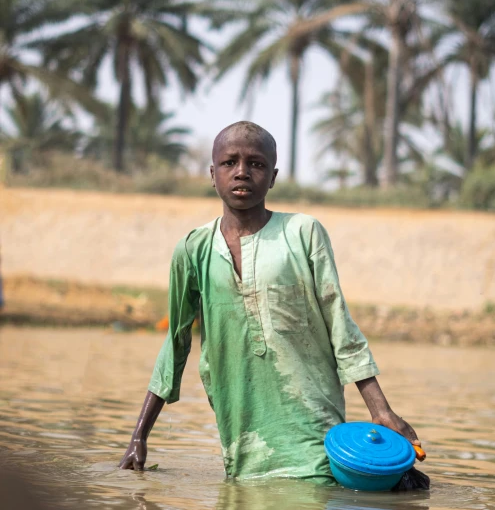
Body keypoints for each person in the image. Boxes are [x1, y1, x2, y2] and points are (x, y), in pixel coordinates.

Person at [120, 121, 421, 481]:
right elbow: (175, 344)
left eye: (256, 164)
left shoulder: (303, 233)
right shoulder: (193, 249)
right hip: (244, 441)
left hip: (314, 431)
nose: (242, 172)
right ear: (212, 174)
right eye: (230, 163)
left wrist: (381, 411)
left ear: (273, 177)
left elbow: (340, 324)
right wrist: (139, 435)